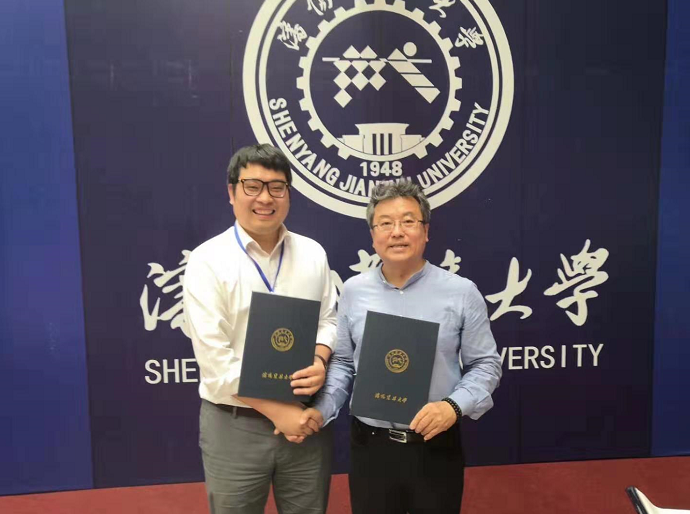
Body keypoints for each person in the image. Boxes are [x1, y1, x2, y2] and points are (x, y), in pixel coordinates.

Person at [307, 181, 502, 514]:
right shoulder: (353, 291)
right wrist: (322, 409)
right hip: (370, 447)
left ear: (425, 231)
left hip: (434, 444)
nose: (396, 232)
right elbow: (342, 363)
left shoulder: (461, 292)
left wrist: (453, 407)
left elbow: (486, 365)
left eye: (408, 221)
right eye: (385, 223)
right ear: (373, 235)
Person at [183, 144, 337, 514]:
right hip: (235, 424)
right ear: (232, 191)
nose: (265, 198)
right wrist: (277, 412)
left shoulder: (313, 254)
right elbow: (215, 362)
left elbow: (328, 320)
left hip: (304, 419)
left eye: (277, 187)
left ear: (288, 193)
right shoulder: (207, 260)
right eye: (252, 186)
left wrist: (319, 360)